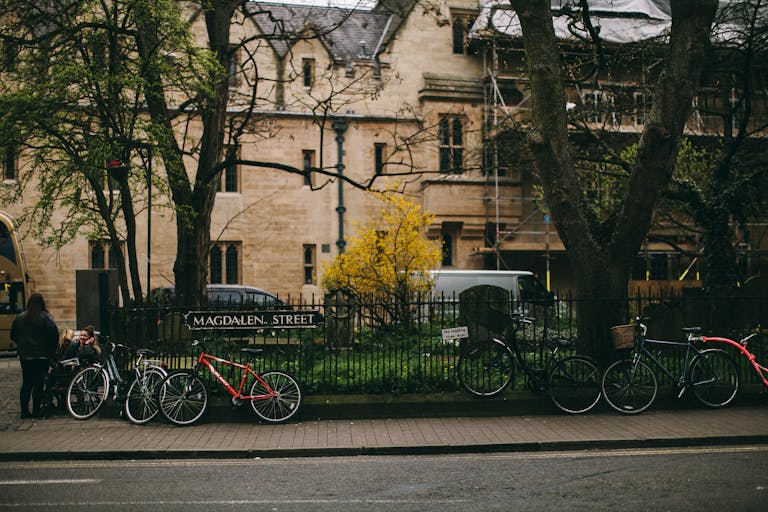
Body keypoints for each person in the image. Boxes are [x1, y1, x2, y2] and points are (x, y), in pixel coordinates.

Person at [10, 293, 59, 419]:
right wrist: (51, 349)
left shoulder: (20, 318)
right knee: (38, 383)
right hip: (42, 355)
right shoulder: (45, 317)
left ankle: (24, 411)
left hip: (25, 355)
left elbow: (13, 335)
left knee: (27, 383)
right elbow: (54, 334)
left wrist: (21, 345)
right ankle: (36, 410)